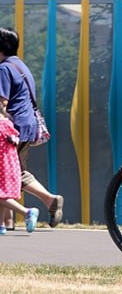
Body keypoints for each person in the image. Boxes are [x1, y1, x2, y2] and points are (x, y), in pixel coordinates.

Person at [0, 27, 63, 231]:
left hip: (12, 128)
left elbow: (1, 103)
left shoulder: (3, 69)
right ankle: (7, 222)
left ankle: (46, 201)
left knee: (7, 172)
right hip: (25, 126)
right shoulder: (20, 65)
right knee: (14, 171)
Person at [0, 104, 39, 234]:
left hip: (2, 166)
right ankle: (1, 226)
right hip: (10, 166)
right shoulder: (8, 124)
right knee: (4, 196)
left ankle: (27, 212)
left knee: (1, 196)